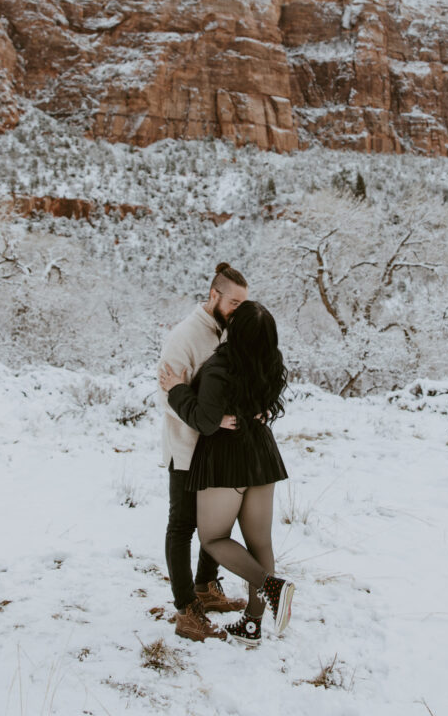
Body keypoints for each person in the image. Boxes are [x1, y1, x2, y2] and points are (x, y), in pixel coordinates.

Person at [159, 300, 294, 646]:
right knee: (259, 541)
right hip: (262, 455)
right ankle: (252, 623)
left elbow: (204, 421)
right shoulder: (272, 362)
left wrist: (176, 389)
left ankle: (270, 586)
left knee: (213, 538)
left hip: (226, 459)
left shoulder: (221, 367)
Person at [157, 263, 249, 642]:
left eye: (244, 303)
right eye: (233, 302)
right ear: (213, 296)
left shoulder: (229, 332)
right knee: (183, 526)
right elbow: (167, 395)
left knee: (217, 524)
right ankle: (186, 611)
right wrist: (213, 421)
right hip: (187, 448)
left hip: (219, 450)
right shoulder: (185, 336)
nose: (238, 309)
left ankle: (207, 588)